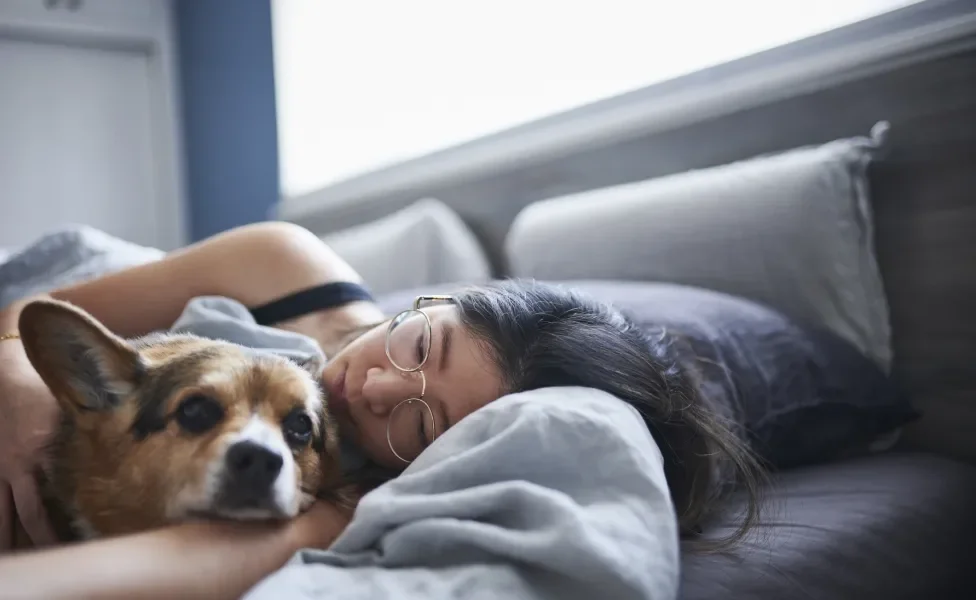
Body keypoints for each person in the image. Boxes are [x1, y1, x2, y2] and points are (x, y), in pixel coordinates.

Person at [0, 222, 763, 599]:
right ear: (436, 301)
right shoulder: (284, 263)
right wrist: (22, 386)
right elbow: (24, 319)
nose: (374, 390)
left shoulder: (352, 489)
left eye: (421, 425)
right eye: (421, 345)